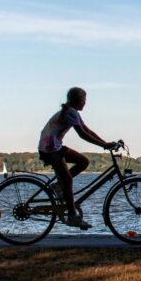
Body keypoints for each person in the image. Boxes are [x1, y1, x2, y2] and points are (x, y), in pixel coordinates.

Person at [38, 87, 117, 229]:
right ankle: (73, 216)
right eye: (84, 100)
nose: (85, 103)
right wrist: (103, 145)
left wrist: (105, 143)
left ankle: (57, 186)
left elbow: (87, 130)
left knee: (83, 161)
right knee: (67, 179)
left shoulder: (72, 112)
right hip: (50, 148)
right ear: (77, 100)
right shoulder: (70, 112)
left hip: (53, 146)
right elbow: (83, 135)